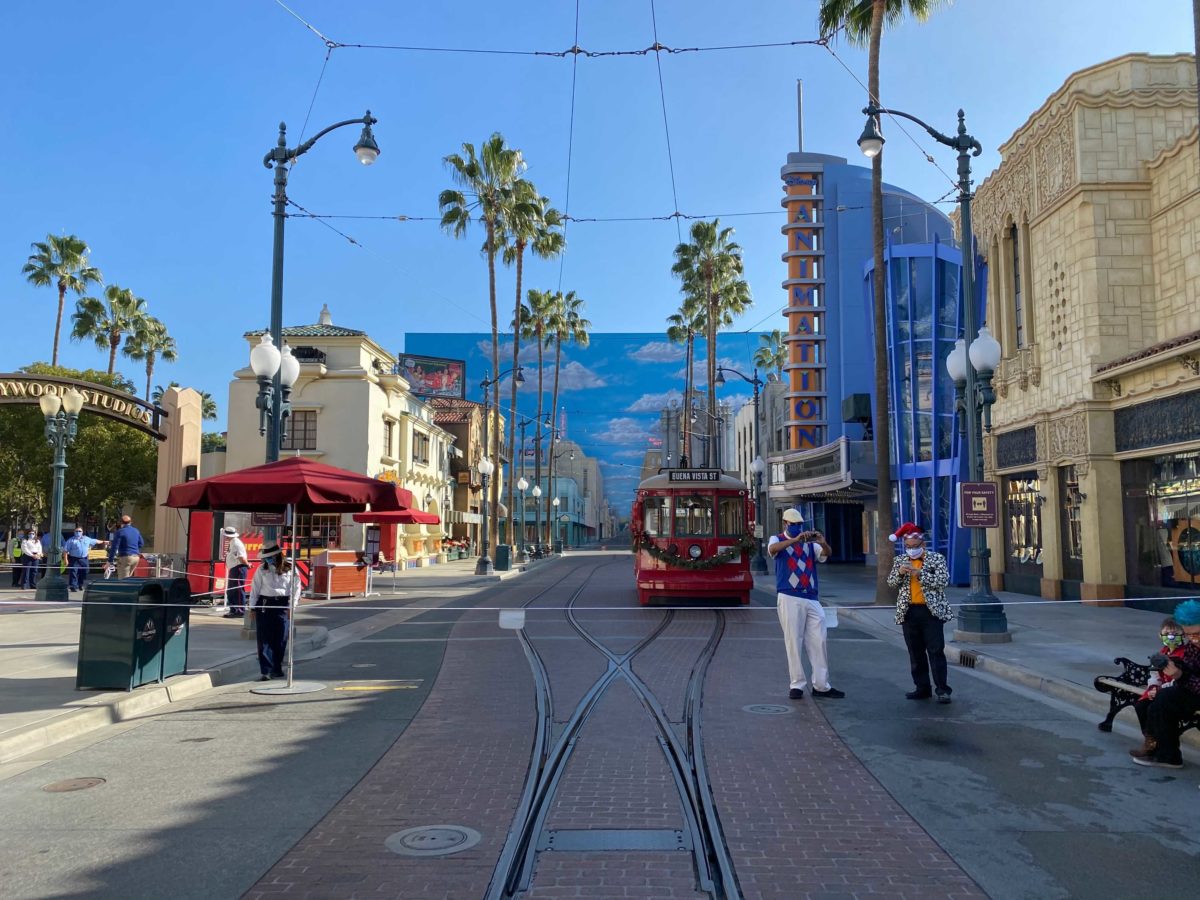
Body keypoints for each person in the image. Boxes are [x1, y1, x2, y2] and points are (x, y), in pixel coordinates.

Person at [768, 507, 843, 700]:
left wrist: (822, 542)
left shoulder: (810, 545)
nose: (798, 528)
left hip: (811, 596)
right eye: (793, 525)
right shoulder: (777, 539)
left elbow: (826, 554)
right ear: (785, 524)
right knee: (793, 640)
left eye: (800, 525)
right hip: (789, 595)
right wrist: (794, 540)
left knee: (819, 640)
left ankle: (821, 685)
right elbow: (773, 550)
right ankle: (797, 684)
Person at [887, 523, 954, 703]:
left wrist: (920, 573)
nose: (911, 550)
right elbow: (892, 583)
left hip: (931, 612)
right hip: (909, 611)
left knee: (936, 650)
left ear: (923, 545)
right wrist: (900, 573)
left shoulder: (936, 558)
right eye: (908, 547)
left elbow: (943, 581)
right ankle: (922, 688)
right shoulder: (900, 560)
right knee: (915, 652)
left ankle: (942, 689)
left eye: (915, 547)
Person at [1130, 599, 1200, 769]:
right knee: (1158, 701)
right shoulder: (1192, 646)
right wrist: (1176, 666)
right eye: (1188, 635)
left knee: (1165, 699)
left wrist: (1179, 675)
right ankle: (1166, 754)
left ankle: (1165, 753)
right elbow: (1190, 668)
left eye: (1197, 634)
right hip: (1193, 689)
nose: (1193, 640)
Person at [248, 542, 301, 681]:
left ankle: (276, 668)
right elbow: (255, 590)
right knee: (264, 638)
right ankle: (266, 670)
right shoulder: (261, 569)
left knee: (281, 638)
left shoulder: (290, 568)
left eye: (270, 557)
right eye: (266, 557)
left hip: (283, 604)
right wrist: (252, 607)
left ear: (278, 555)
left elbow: (296, 587)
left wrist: (292, 606)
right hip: (265, 604)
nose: (267, 560)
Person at [1132, 618, 1185, 736]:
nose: (1171, 637)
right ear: (1160, 635)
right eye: (1167, 634)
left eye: (1175, 634)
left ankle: (1158, 739)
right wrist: (1153, 687)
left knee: (1154, 709)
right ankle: (1149, 739)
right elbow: (1154, 674)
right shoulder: (1161, 653)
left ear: (1183, 634)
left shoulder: (1186, 654)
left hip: (1174, 690)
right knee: (1141, 706)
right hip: (1159, 689)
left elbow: (1183, 678)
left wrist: (1162, 690)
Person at [62, 528, 108, 593]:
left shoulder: (86, 539)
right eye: (76, 531)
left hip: (84, 558)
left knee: (84, 571)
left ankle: (80, 584)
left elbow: (95, 541)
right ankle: (73, 586)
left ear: (82, 532)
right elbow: (65, 551)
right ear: (74, 532)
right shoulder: (71, 540)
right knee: (73, 572)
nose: (78, 532)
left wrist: (103, 542)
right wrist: (66, 560)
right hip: (74, 558)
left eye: (79, 531)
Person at [221, 525, 249, 618]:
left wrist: (247, 565)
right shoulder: (233, 542)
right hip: (234, 568)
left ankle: (239, 610)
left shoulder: (236, 543)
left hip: (238, 568)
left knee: (237, 590)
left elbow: (241, 557)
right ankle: (233, 609)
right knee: (231, 591)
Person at [107, 515, 144, 579]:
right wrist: (133, 548)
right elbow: (141, 543)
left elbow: (114, 547)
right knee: (129, 578)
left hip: (125, 557)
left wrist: (110, 560)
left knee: (123, 580)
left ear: (121, 523)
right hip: (136, 557)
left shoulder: (120, 532)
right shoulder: (136, 531)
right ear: (130, 522)